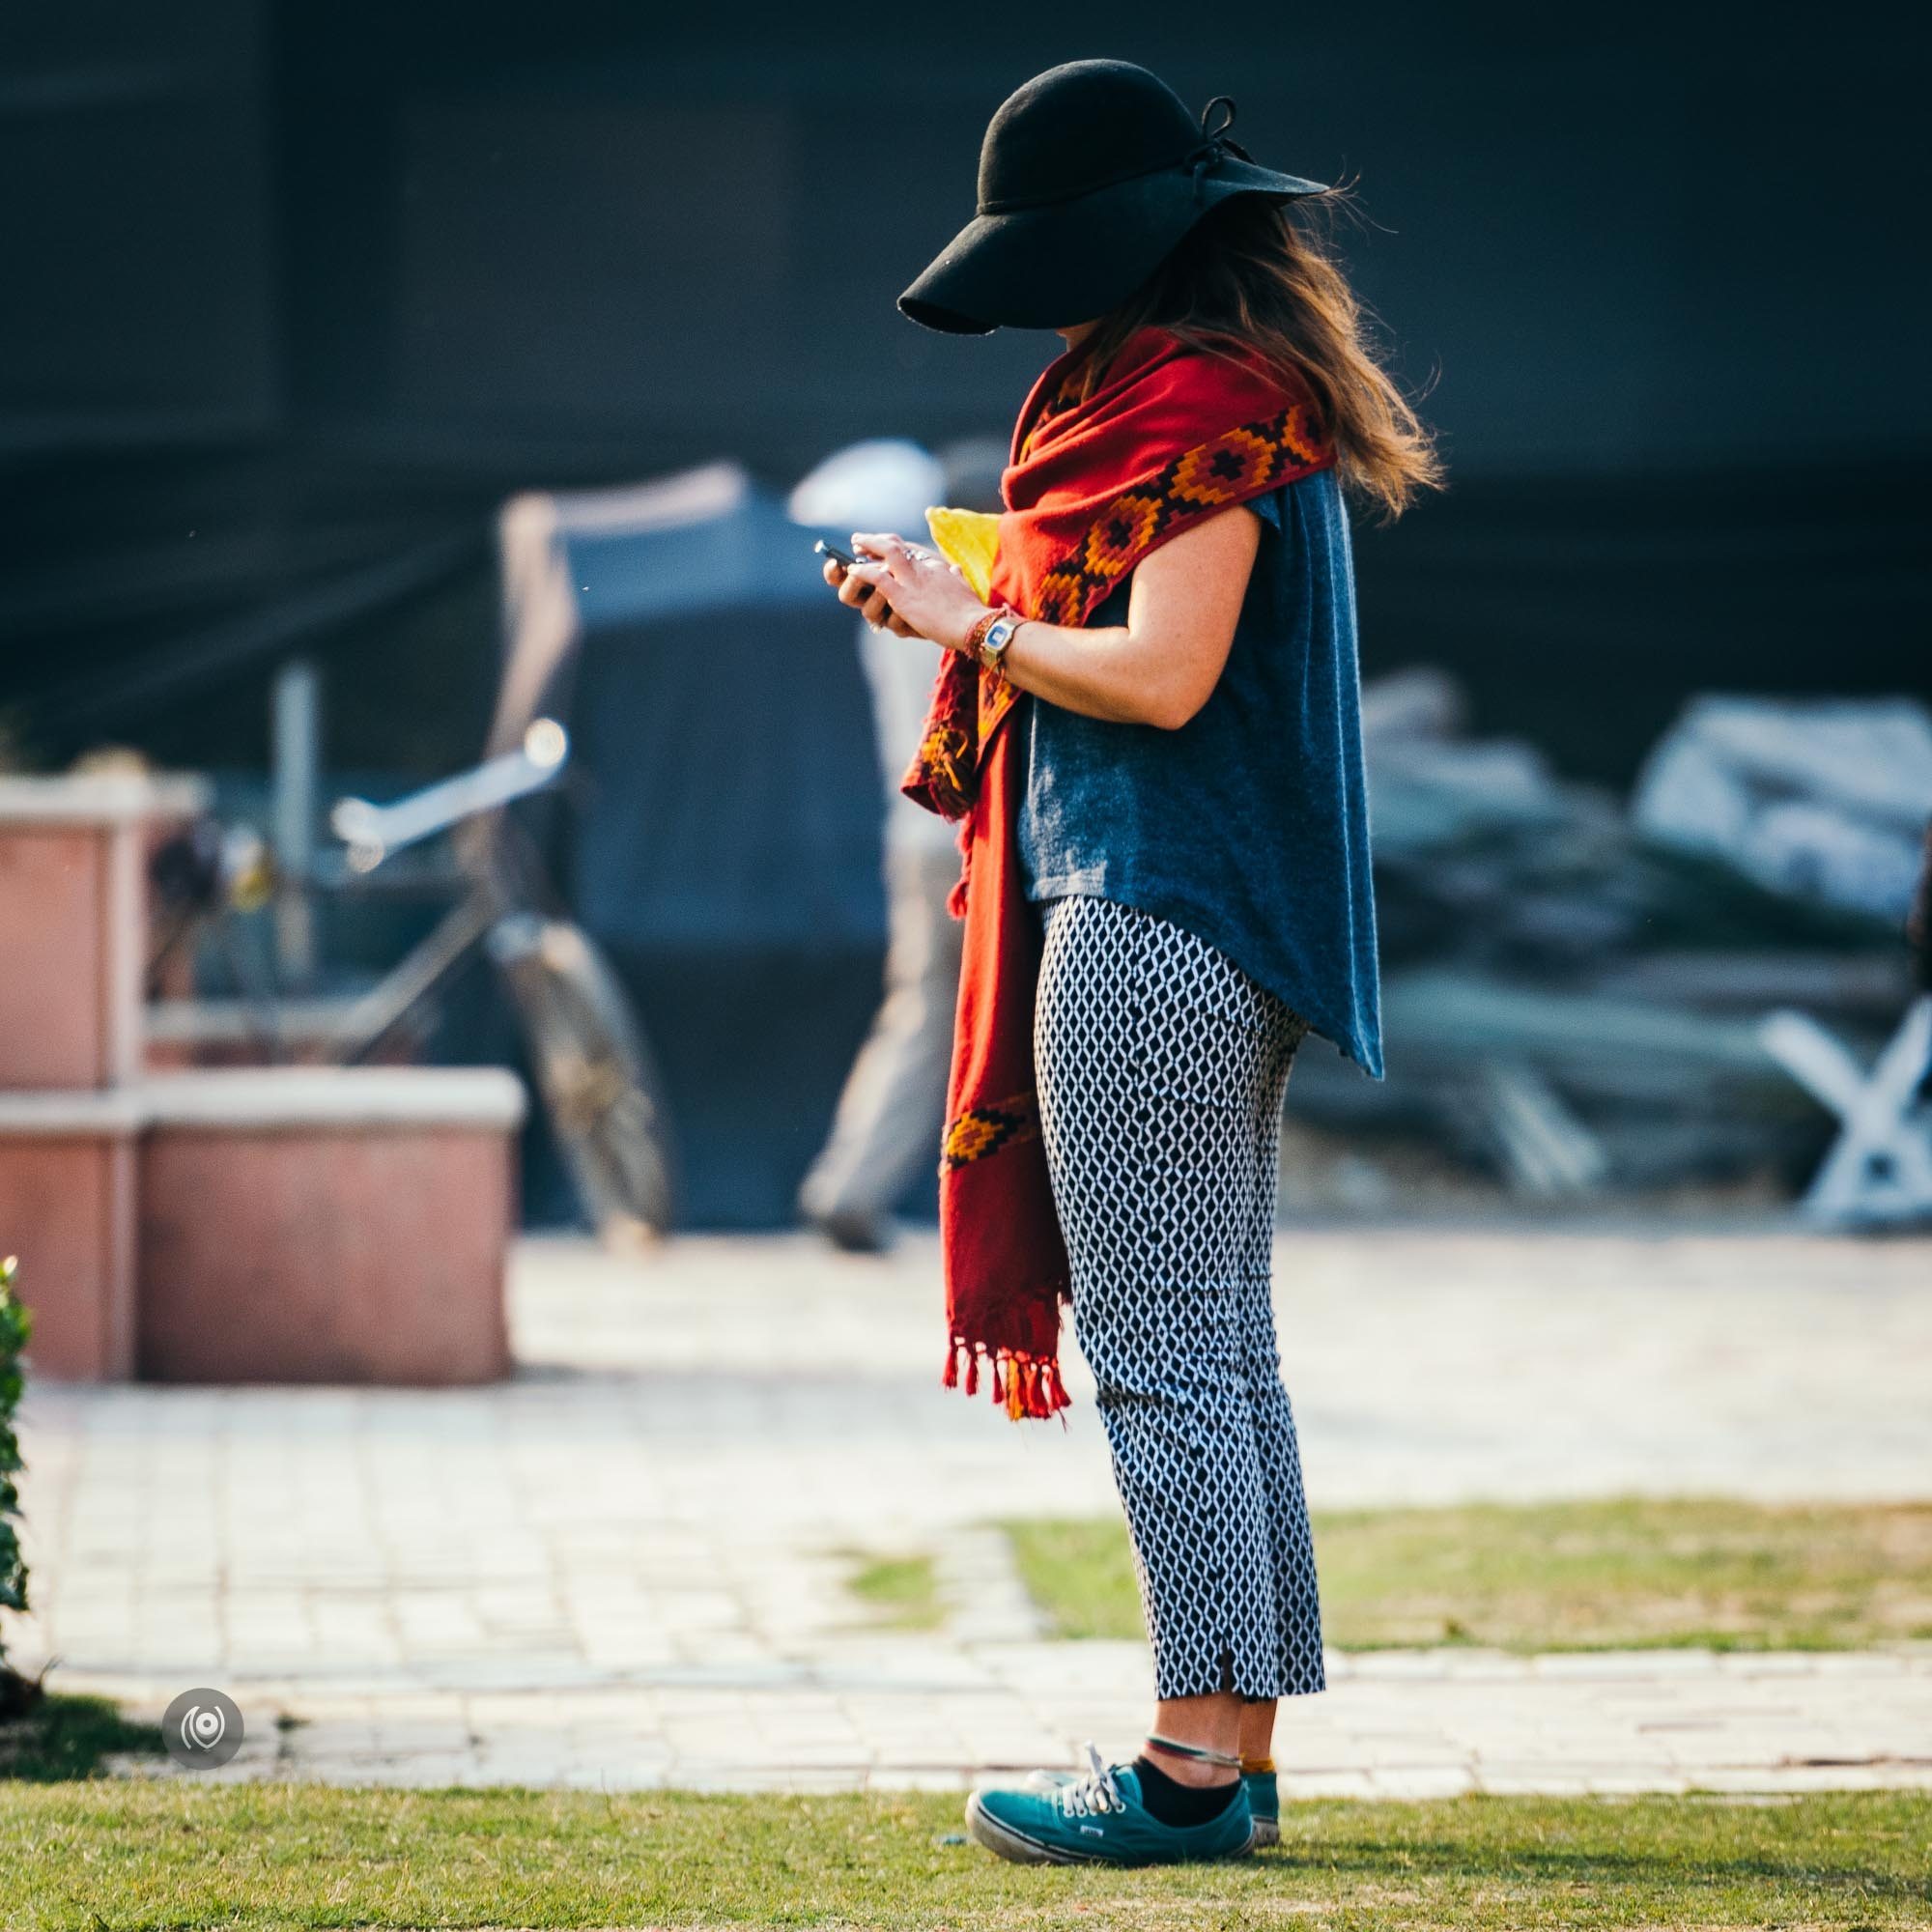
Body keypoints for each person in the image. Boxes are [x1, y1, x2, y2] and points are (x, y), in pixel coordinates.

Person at [823, 59, 1438, 1865]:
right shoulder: (1212, 393)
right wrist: (973, 594)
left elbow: (1161, 675)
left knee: (1167, 1343)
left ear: (1117, 241)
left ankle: (1181, 1766)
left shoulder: (1202, 410)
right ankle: (1232, 1752)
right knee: (1218, 1341)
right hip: (1194, 916)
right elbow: (1134, 632)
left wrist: (975, 622)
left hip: (1151, 915)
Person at [790, 440, 962, 1252]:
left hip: (915, 834)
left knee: (922, 1012)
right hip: (974, 835)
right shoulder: (948, 601)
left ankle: (849, 1182)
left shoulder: (877, 615)